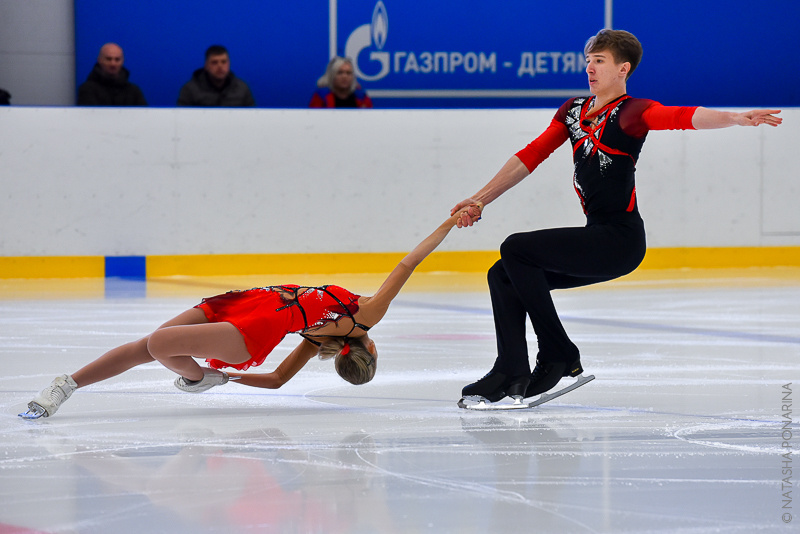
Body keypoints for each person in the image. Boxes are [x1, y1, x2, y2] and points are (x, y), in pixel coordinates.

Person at [450, 29, 782, 405]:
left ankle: (558, 353)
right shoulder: (573, 111)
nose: (589, 68)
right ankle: (510, 368)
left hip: (619, 242)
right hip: (597, 236)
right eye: (588, 60)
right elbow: (531, 155)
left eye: (599, 61)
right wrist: (479, 200)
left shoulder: (631, 113)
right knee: (503, 274)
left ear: (623, 69)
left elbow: (681, 116)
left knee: (516, 248)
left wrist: (735, 118)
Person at [19, 206, 482, 419]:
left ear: (371, 348)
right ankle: (68, 385)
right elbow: (278, 381)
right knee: (146, 346)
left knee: (158, 344)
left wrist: (447, 222)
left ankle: (198, 379)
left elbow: (407, 264)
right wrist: (229, 380)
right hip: (246, 302)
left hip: (253, 329)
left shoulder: (364, 317)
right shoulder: (325, 337)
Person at [177, 45, 255, 107]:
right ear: (206, 66)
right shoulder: (190, 90)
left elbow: (252, 117)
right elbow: (181, 117)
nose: (220, 66)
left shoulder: (242, 88)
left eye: (224, 62)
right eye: (214, 62)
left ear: (229, 64)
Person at [77, 43, 147, 106]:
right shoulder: (87, 90)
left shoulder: (134, 92)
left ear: (122, 61)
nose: (113, 64)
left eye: (117, 59)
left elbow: (143, 114)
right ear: (99, 60)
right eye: (108, 59)